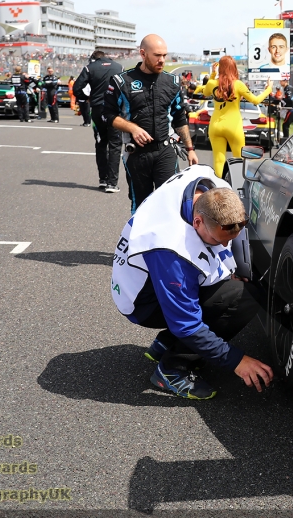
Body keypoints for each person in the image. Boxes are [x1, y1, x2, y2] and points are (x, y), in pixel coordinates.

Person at [111, 164, 273, 399]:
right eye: (218, 241)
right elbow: (187, 325)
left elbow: (223, 241)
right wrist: (236, 360)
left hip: (150, 276)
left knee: (229, 286)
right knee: (243, 298)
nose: (225, 246)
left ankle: (165, 344)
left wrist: (229, 269)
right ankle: (170, 371)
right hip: (141, 301)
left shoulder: (212, 187)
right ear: (197, 222)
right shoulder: (171, 250)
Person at [107, 34, 198, 212]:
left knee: (171, 204)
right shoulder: (121, 81)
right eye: (157, 55)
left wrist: (190, 149)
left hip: (165, 150)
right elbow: (107, 115)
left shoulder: (172, 82)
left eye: (164, 55)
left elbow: (180, 118)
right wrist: (132, 128)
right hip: (136, 154)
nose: (162, 60)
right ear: (143, 54)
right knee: (141, 207)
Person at [198, 55, 271, 179]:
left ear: (220, 68)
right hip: (233, 126)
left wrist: (212, 75)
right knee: (239, 160)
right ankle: (238, 187)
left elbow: (205, 92)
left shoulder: (212, 83)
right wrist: (268, 89)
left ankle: (220, 188)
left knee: (218, 160)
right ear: (234, 68)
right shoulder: (238, 84)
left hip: (215, 125)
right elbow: (256, 100)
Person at [74, 50, 123, 191]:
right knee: (115, 144)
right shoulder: (119, 67)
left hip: (97, 109)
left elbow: (77, 88)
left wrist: (85, 97)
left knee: (101, 143)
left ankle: (103, 178)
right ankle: (112, 183)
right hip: (115, 110)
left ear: (93, 58)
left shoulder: (90, 68)